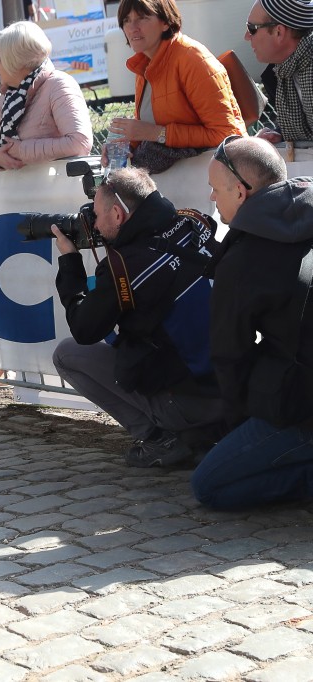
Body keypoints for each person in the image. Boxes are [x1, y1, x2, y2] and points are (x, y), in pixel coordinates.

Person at [51, 167, 225, 467]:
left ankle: (161, 440)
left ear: (118, 215)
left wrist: (69, 262)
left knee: (67, 354)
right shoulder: (191, 221)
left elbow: (84, 329)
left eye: (96, 214)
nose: (93, 222)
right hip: (239, 384)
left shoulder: (123, 268)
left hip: (190, 400)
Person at [191, 136, 313, 508]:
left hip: (302, 406)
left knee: (209, 485)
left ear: (241, 192)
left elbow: (230, 355)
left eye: (215, 189)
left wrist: (236, 427)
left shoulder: (242, 258)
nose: (213, 198)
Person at [106, 0, 245, 173]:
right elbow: (149, 126)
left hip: (214, 181)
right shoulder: (144, 63)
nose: (132, 27)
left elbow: (227, 134)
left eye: (142, 18)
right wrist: (126, 146)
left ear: (165, 22)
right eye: (126, 20)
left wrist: (158, 134)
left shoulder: (193, 59)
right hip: (180, 183)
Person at [0, 21, 92, 169]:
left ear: (15, 61)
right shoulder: (9, 94)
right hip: (13, 190)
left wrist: (21, 150)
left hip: (55, 190)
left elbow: (80, 143)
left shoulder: (59, 85)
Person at [245, 0, 313, 143]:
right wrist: (278, 134)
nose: (246, 37)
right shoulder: (282, 71)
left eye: (252, 29)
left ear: (278, 32)